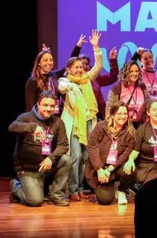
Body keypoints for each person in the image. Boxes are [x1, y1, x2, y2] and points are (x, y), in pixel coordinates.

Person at [58, 30, 103, 201]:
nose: (79, 69)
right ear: (68, 69)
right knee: (75, 155)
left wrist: (96, 47)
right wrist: (69, 87)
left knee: (85, 156)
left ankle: (81, 187)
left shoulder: (86, 78)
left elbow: (98, 66)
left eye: (81, 67)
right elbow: (61, 87)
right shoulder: (66, 81)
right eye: (75, 67)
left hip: (89, 122)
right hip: (75, 124)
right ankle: (72, 189)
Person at [8, 90, 71, 207]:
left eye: (52, 106)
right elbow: (12, 127)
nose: (48, 109)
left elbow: (63, 145)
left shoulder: (58, 122)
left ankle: (57, 195)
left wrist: (51, 158)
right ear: (38, 104)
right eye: (45, 105)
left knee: (67, 160)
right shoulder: (26, 117)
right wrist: (32, 127)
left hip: (46, 166)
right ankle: (15, 185)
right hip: (28, 168)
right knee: (35, 201)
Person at [85, 101, 136, 205]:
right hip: (99, 170)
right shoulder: (101, 126)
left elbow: (125, 154)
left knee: (130, 168)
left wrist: (109, 170)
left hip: (114, 169)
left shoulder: (130, 132)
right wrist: (99, 169)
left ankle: (121, 190)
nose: (123, 116)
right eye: (119, 113)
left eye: (125, 114)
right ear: (112, 115)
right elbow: (92, 146)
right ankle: (105, 187)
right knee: (105, 200)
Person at [24, 36, 84, 112]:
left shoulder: (55, 75)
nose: (49, 63)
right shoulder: (32, 81)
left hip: (55, 117)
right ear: (39, 63)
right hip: (40, 118)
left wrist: (78, 47)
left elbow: (70, 63)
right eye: (45, 60)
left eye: (51, 60)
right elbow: (30, 106)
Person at [78, 47, 119, 120]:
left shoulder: (96, 78)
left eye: (86, 64)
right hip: (81, 116)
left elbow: (113, 77)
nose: (84, 66)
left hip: (98, 116)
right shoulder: (74, 81)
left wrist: (113, 61)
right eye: (81, 65)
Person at [105, 61, 149, 128]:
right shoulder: (117, 88)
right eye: (131, 71)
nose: (134, 74)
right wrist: (110, 126)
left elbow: (147, 104)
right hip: (122, 126)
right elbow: (109, 108)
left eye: (136, 71)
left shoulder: (142, 86)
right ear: (125, 72)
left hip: (140, 126)